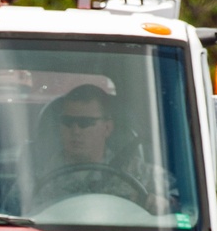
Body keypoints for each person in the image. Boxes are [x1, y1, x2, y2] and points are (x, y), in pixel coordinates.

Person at [34, 83, 172, 211]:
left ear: (107, 127)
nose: (75, 130)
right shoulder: (37, 174)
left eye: (85, 123)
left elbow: (185, 204)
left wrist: (165, 203)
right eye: (68, 122)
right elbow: (15, 217)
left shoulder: (138, 172)